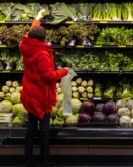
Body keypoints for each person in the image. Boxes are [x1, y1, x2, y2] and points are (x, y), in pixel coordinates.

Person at [19, 10, 69, 167]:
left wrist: (37, 19)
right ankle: (44, 161)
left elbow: (31, 32)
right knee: (44, 129)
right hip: (41, 95)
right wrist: (64, 71)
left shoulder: (26, 46)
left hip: (30, 92)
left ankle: (27, 160)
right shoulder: (41, 53)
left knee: (31, 127)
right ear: (43, 38)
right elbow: (48, 76)